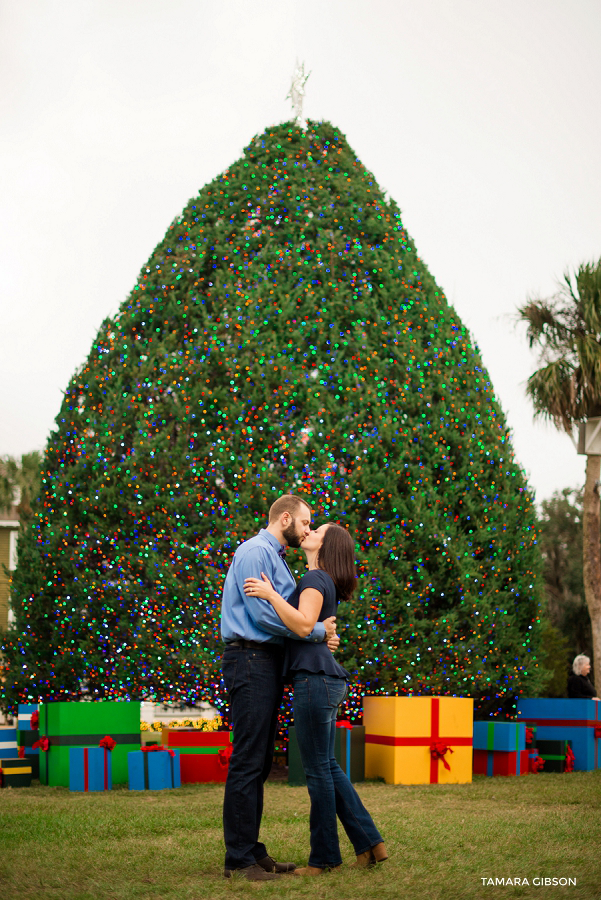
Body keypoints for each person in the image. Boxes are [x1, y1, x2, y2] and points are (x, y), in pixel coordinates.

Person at [244, 522, 387, 875]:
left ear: (327, 545)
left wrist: (271, 594)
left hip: (315, 681)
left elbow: (305, 624)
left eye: (317, 530)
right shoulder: (320, 581)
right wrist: (325, 637)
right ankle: (371, 843)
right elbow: (316, 631)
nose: (309, 532)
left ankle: (324, 860)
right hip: (324, 679)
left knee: (317, 772)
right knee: (327, 767)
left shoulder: (312, 580)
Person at [220, 494, 339, 882]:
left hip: (265, 664)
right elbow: (264, 616)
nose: (307, 530)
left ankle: (252, 851)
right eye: (305, 523)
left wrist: (316, 634)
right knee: (247, 759)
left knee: (259, 762)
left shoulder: (278, 559)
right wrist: (316, 632)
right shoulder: (255, 552)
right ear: (285, 517)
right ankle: (239, 860)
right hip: (249, 660)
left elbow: (290, 617)